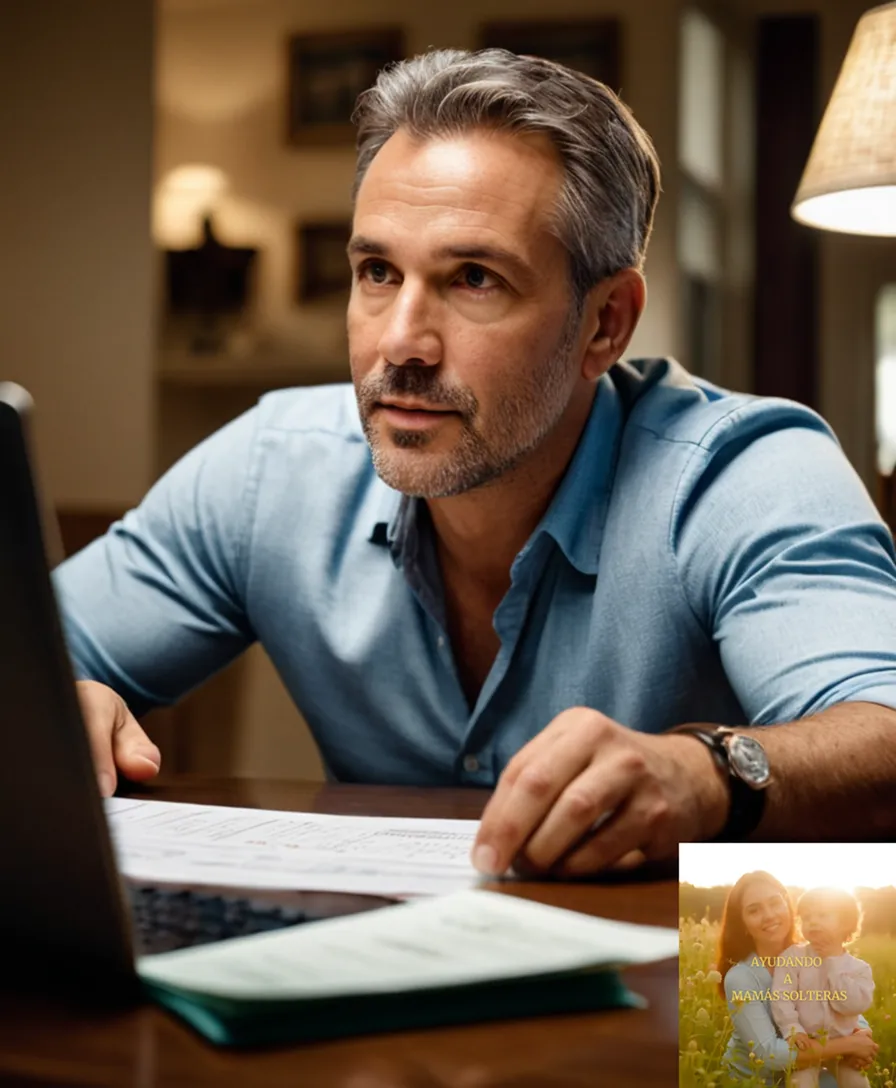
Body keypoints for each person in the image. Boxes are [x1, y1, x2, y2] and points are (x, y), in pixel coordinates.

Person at [54, 49, 896, 877]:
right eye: (377, 271)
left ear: (606, 323)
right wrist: (48, 707)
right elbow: (29, 663)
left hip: (687, 994)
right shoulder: (270, 469)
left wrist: (709, 773)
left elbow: (884, 732)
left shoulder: (743, 474)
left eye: (474, 280)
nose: (401, 343)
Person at [717, 872, 878, 1085]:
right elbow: (768, 1054)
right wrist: (849, 1045)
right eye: (754, 910)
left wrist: (862, 1032)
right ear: (743, 924)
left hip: (808, 1066)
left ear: (788, 906)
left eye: (775, 903)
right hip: (755, 1080)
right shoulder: (740, 978)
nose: (769, 915)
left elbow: (838, 1002)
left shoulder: (815, 953)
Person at [770, 887, 875, 1088]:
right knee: (800, 1083)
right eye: (807, 917)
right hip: (807, 1044)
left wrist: (833, 961)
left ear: (846, 923)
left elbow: (852, 1006)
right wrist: (793, 1030)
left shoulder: (859, 969)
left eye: (822, 915)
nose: (813, 922)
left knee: (857, 1083)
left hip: (845, 1048)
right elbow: (781, 997)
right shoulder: (792, 958)